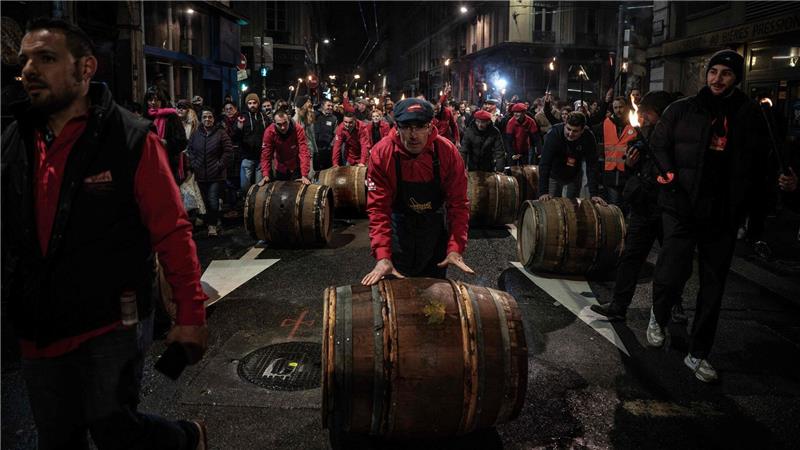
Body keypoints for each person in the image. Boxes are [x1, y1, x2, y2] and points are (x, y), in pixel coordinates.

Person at [2, 18, 208, 449]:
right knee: (57, 437)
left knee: (115, 428)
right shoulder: (13, 140)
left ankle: (183, 439)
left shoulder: (130, 138)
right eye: (24, 61)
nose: (29, 70)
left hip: (110, 321)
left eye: (46, 58)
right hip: (39, 324)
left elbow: (171, 230)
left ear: (86, 68)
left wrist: (190, 316)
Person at [647, 49, 769, 383]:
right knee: (672, 270)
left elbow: (762, 163)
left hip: (723, 213)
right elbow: (658, 145)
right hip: (682, 205)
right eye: (713, 71)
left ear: (736, 78)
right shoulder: (682, 109)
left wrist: (759, 207)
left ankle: (698, 353)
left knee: (713, 288)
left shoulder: (750, 114)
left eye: (725, 74)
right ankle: (658, 314)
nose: (717, 79)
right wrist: (669, 175)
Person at [591, 91, 686, 322]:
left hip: (668, 208)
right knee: (631, 256)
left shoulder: (676, 139)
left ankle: (675, 305)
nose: (641, 119)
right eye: (640, 114)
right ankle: (618, 305)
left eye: (646, 114)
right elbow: (633, 168)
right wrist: (630, 164)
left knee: (673, 261)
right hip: (644, 206)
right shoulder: (642, 137)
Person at [361, 98, 473, 285]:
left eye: (420, 126)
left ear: (430, 126)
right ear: (396, 127)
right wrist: (382, 256)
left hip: (434, 227)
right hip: (399, 226)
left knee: (435, 300)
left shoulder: (447, 152)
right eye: (406, 126)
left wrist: (455, 248)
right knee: (398, 297)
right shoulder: (382, 153)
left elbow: (459, 204)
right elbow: (378, 209)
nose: (413, 135)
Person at [538, 112, 606, 205]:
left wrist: (594, 193)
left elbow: (592, 165)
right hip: (554, 173)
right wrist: (543, 192)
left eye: (575, 131)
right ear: (565, 124)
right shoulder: (554, 133)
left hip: (573, 174)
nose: (570, 134)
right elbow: (545, 163)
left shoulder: (588, 137)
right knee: (550, 205)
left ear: (582, 130)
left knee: (572, 207)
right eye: (568, 129)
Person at [187, 108, 234, 236]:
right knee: (204, 201)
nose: (207, 120)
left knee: (213, 200)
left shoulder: (221, 133)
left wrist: (220, 165)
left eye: (210, 117)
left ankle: (212, 226)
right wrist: (194, 163)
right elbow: (190, 150)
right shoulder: (196, 134)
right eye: (205, 117)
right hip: (200, 174)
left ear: (214, 119)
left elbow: (228, 151)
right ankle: (212, 221)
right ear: (201, 119)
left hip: (216, 175)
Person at [596, 96, 637, 207]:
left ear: (627, 107)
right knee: (614, 207)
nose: (618, 110)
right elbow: (593, 123)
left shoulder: (635, 124)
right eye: (615, 107)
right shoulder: (606, 123)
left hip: (628, 172)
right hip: (610, 172)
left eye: (621, 107)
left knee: (627, 205)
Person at [144, 86, 187, 184]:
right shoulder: (145, 117)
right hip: (150, 165)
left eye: (157, 100)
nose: (153, 103)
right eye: (150, 100)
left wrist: (166, 143)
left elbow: (182, 141)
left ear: (162, 101)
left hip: (168, 165)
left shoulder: (171, 116)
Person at [258, 110, 312, 184]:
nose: (283, 127)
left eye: (285, 123)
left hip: (296, 165)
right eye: (279, 124)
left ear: (289, 119)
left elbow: (304, 151)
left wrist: (304, 174)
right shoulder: (269, 132)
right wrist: (265, 174)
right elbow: (266, 155)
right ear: (274, 123)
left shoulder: (298, 129)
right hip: (280, 167)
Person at [239, 93, 268, 194]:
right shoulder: (242, 117)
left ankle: (255, 207)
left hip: (261, 158)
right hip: (247, 157)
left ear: (258, 103)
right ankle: (246, 203)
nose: (252, 105)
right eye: (249, 103)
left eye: (254, 103)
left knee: (259, 188)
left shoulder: (264, 117)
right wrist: (239, 127)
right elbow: (235, 136)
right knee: (244, 186)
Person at [313, 99, 338, 172]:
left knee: (327, 171)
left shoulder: (334, 118)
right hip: (316, 149)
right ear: (322, 106)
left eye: (331, 106)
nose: (330, 107)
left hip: (327, 150)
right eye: (328, 105)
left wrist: (331, 145)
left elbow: (336, 133)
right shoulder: (315, 115)